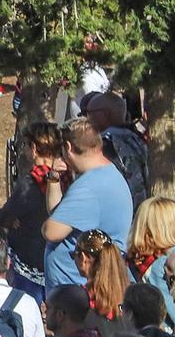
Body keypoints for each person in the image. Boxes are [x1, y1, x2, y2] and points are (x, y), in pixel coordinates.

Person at [42, 119, 135, 290]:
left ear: (68, 148)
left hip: (78, 292)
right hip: (82, 288)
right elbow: (58, 214)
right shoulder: (106, 174)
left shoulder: (89, 188)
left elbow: (51, 231)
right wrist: (54, 178)